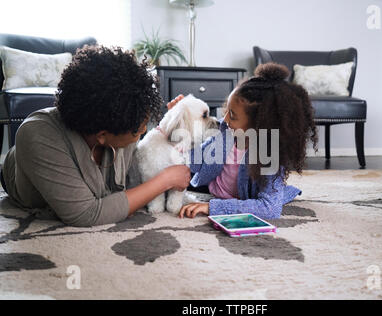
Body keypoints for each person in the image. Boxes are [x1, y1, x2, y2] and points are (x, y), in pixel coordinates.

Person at [0, 45, 191, 227]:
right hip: (22, 173)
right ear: (102, 135)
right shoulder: (38, 136)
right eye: (138, 131)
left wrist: (170, 127)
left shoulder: (123, 120)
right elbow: (86, 213)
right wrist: (165, 180)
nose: (143, 132)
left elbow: (138, 169)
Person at [175, 62, 318, 219]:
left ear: (259, 123)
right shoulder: (227, 131)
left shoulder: (268, 152)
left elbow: (269, 208)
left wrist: (212, 207)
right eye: (227, 112)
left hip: (229, 200)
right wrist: (178, 121)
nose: (225, 119)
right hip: (209, 190)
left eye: (233, 115)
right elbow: (195, 160)